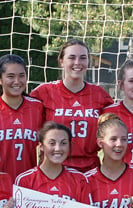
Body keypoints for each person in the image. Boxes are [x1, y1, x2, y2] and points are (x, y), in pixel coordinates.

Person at [30, 39, 114, 172]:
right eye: (72, 57)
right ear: (62, 61)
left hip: (90, 170)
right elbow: (19, 111)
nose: (77, 63)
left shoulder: (100, 95)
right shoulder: (43, 92)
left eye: (82, 58)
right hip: (53, 169)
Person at [0, 54, 44, 178]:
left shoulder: (38, 108)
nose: (17, 81)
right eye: (10, 76)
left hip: (28, 185)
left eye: (21, 76)